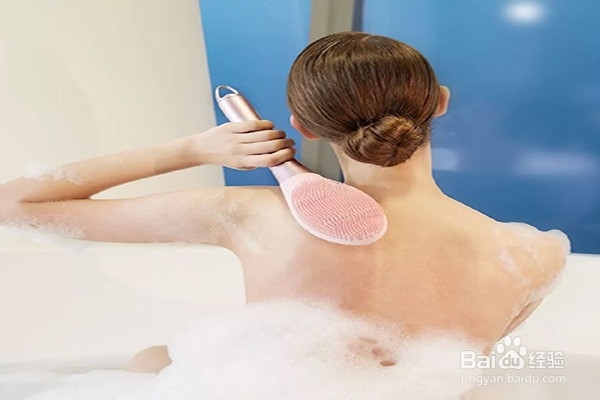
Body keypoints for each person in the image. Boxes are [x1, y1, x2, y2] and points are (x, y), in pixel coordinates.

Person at [0, 32, 568, 374]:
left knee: (152, 358)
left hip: (276, 383)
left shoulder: (253, 215)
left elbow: (15, 205)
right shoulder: (531, 256)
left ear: (303, 126)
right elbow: (456, 371)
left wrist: (191, 149)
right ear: (440, 103)